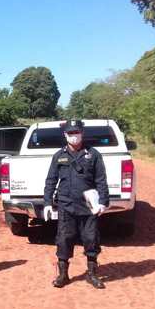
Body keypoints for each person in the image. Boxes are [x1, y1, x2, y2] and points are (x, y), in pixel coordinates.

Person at [43, 119, 109, 289]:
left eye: (76, 133)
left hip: (88, 206)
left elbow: (101, 179)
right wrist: (47, 202)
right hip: (66, 205)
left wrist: (103, 202)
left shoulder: (93, 154)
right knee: (64, 239)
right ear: (65, 135)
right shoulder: (59, 155)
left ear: (82, 133)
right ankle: (63, 275)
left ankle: (92, 274)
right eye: (70, 133)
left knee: (91, 239)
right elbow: (51, 180)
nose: (74, 136)